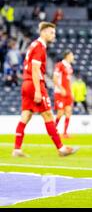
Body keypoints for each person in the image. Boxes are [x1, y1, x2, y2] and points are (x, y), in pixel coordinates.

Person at [12, 22, 78, 157]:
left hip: (26, 83)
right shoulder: (40, 47)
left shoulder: (34, 45)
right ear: (43, 32)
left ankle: (17, 149)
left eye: (54, 33)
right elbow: (35, 69)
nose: (54, 35)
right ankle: (61, 148)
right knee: (48, 115)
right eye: (51, 32)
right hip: (34, 83)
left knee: (26, 115)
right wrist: (37, 90)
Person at [53, 50, 75, 138]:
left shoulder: (70, 67)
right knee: (60, 113)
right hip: (60, 92)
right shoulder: (60, 65)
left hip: (68, 92)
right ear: (67, 56)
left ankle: (65, 133)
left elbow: (69, 81)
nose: (73, 57)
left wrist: (71, 91)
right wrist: (61, 88)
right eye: (72, 55)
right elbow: (54, 78)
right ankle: (53, 131)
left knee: (68, 112)